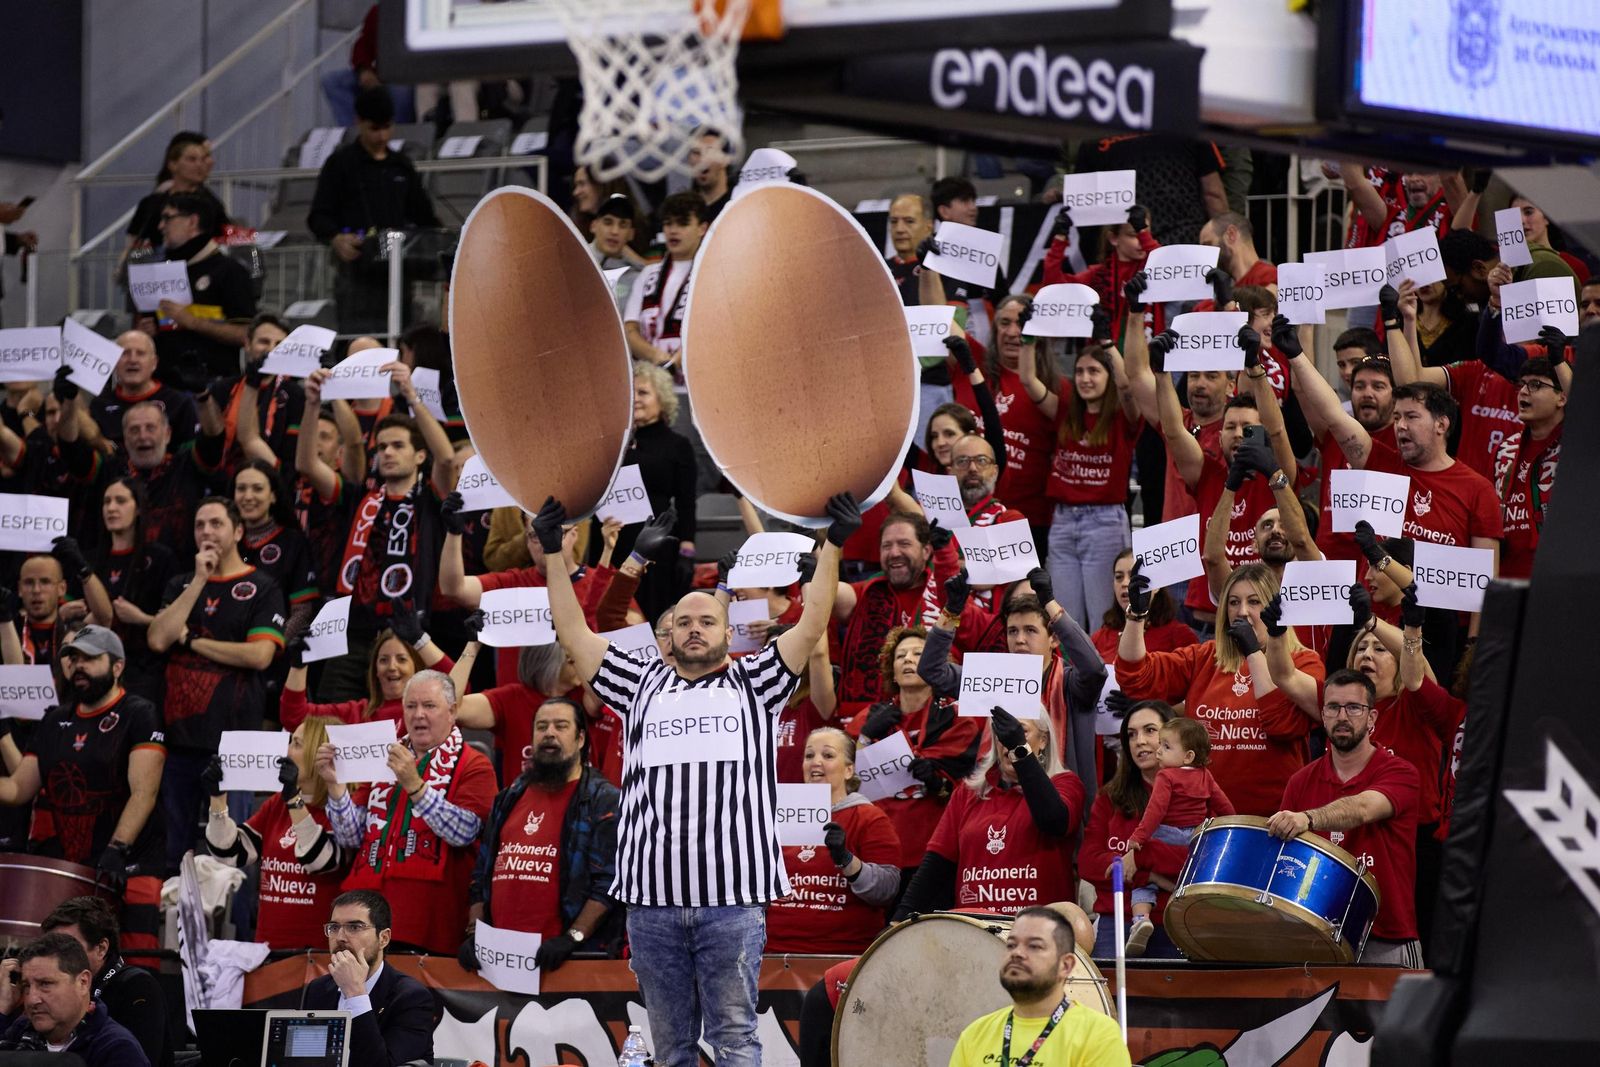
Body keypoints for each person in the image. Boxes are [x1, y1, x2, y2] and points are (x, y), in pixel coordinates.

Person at [543, 488, 856, 1067]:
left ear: (727, 628)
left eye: (706, 620)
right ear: (666, 636)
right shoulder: (637, 683)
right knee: (671, 1048)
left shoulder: (755, 683)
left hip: (731, 901)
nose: (693, 628)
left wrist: (831, 546)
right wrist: (548, 558)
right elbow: (574, 633)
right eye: (682, 621)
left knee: (736, 1039)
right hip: (651, 903)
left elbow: (812, 623)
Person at [0, 626, 165, 955]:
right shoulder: (54, 721)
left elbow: (144, 792)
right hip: (73, 870)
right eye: (73, 659)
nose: (79, 666)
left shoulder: (138, 713)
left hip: (130, 868)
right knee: (73, 970)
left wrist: (118, 849)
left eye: (90, 658)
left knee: (132, 969)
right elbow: (19, 788)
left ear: (117, 666)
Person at [1116, 561, 1322, 815]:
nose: (1242, 612)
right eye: (1233, 602)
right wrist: (1136, 616)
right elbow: (1136, 677)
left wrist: (1253, 653)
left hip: (1274, 822)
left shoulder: (1303, 662)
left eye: (1254, 602)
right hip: (1204, 821)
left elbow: (1280, 724)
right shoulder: (1205, 657)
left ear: (1275, 609)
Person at [148, 497, 286, 867]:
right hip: (178, 741)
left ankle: (233, 927)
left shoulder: (262, 586)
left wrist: (192, 641)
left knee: (230, 856)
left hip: (236, 743)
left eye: (216, 524)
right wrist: (198, 581)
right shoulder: (181, 583)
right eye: (199, 525)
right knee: (176, 850)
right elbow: (158, 638)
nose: (206, 532)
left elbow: (259, 655)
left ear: (238, 531)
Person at [319, 670, 496, 954]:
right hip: (366, 916)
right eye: (411, 706)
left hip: (430, 919)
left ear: (452, 711)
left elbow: (465, 832)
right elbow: (351, 837)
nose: (418, 715)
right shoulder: (383, 758)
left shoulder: (475, 764)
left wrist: (415, 786)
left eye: (429, 706)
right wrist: (335, 787)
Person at [1269, 668, 1422, 967]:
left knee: (1398, 1017)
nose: (1342, 716)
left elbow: (1364, 808)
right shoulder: (1300, 782)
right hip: (1315, 936)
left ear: (1372, 718)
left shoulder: (1401, 772)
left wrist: (1308, 819)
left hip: (1386, 936)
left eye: (1354, 707)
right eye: (1333, 707)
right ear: (1322, 715)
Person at [460, 696, 624, 970]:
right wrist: (475, 933)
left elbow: (609, 884)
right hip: (501, 963)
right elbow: (481, 877)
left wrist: (572, 938)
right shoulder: (509, 797)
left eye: (561, 726)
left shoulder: (604, 800)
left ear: (581, 739)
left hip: (569, 963)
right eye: (541, 726)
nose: (549, 733)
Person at [923, 572, 1105, 797]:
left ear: (1054, 639)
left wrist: (1049, 603)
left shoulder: (1070, 684)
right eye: (1012, 631)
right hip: (1000, 807)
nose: (1019, 639)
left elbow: (1095, 670)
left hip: (1062, 806)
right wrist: (951, 612)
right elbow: (931, 670)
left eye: (1030, 630)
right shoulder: (994, 678)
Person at [895, 707, 1085, 918]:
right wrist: (896, 922)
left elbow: (1053, 820)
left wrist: (1019, 750)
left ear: (1043, 740)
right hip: (976, 931)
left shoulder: (1065, 784)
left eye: (1020, 730)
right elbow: (935, 866)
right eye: (1001, 732)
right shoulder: (968, 793)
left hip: (1037, 931)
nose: (1008, 739)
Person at [1018, 327, 1141, 628]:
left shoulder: (1124, 418)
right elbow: (1028, 380)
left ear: (1108, 375)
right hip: (1062, 524)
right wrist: (1028, 337)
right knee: (1063, 621)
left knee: (1104, 621)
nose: (1086, 378)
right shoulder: (1065, 412)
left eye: (1095, 371)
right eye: (1080, 371)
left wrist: (1109, 343)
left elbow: (1127, 386)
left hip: (1104, 524)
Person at [201, 716, 350, 949]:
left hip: (317, 956)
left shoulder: (343, 811)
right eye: (290, 742)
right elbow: (231, 853)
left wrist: (293, 800)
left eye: (298, 744)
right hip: (268, 950)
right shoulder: (276, 805)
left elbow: (319, 860)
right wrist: (218, 799)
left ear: (319, 753)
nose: (287, 751)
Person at [307, 85, 440, 335]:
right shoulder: (341, 163)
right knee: (358, 342)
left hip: (397, 276)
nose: (382, 136)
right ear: (359, 122)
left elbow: (425, 218)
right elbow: (318, 216)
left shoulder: (401, 166)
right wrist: (336, 238)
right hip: (355, 275)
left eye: (387, 127)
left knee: (399, 341)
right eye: (374, 129)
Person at [765, 727, 902, 954]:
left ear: (849, 770)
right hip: (773, 953)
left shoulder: (869, 817)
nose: (815, 762)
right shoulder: (778, 816)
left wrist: (847, 860)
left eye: (827, 755)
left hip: (841, 954)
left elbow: (887, 889)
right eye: (809, 756)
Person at [947, 906, 1131, 1067]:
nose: (1017, 953)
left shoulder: (1098, 1035)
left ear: (1065, 965)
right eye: (1011, 945)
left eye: (1034, 946)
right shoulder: (975, 1034)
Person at [1079, 700, 1186, 958]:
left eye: (1150, 730)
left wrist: (1138, 859)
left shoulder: (1196, 794)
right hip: (1116, 922)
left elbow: (1193, 863)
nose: (1140, 741)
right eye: (1131, 734)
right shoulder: (1109, 797)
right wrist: (1150, 876)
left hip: (1177, 925)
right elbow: (1088, 863)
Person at [1118, 716, 1232, 955]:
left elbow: (1155, 811)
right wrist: (1226, 832)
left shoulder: (1166, 776)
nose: (1158, 751)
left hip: (1167, 833)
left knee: (1139, 871)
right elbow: (1225, 808)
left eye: (1166, 747)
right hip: (1196, 838)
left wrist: (1138, 838)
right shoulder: (1205, 775)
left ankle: (1140, 918)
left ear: (1188, 756)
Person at [952, 295, 1059, 544]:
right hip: (967, 513)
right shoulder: (973, 362)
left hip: (1029, 521)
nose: (1013, 332)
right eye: (1004, 323)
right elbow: (940, 321)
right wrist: (929, 267)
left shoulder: (1054, 388)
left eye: (1022, 324)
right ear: (994, 328)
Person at [834, 511, 959, 713]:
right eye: (886, 546)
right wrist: (832, 542)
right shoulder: (868, 591)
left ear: (926, 551)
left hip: (933, 719)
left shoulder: (948, 595)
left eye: (904, 544)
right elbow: (824, 593)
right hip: (869, 719)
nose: (894, 553)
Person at [139, 192, 256, 391]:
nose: (160, 226)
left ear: (192, 222)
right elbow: (155, 327)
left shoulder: (230, 271)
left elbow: (245, 334)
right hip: (164, 387)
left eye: (167, 218)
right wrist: (147, 332)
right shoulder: (161, 272)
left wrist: (193, 322)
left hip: (214, 385)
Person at [303, 890, 434, 1067]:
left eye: (354, 927)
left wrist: (356, 994)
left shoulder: (411, 998)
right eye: (334, 927)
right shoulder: (318, 990)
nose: (340, 937)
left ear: (384, 938)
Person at [39, 896, 171, 1067]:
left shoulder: (138, 987)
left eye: (67, 948)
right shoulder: (45, 990)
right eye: (51, 948)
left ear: (101, 948)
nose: (55, 958)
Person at [279, 610, 452, 730]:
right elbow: (294, 718)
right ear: (375, 670)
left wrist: (420, 640)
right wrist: (298, 666)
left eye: (402, 659)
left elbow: (457, 686)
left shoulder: (434, 711)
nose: (392, 667)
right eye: (383, 660)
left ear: (416, 667)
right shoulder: (356, 713)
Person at [619, 360, 698, 621]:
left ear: (662, 399)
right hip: (614, 541)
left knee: (654, 615)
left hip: (657, 543)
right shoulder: (614, 442)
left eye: (643, 392)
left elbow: (687, 503)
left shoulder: (678, 445)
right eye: (631, 392)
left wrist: (687, 552)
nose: (635, 399)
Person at [90, 477, 179, 703]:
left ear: (138, 508)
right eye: (106, 502)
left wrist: (141, 618)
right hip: (97, 669)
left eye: (120, 501)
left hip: (144, 673)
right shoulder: (92, 559)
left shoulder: (160, 558)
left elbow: (176, 625)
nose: (111, 508)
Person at [0, 933, 150, 1065]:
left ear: (83, 982)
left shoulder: (116, 1050)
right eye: (26, 986)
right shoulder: (19, 1031)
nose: (32, 999)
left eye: (45, 984)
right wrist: (2, 1010)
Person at [1042, 205, 1161, 344]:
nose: (1142, 240)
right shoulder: (1097, 275)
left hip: (1148, 356)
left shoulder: (1155, 270)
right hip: (1105, 357)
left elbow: (1167, 263)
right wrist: (1060, 238)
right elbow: (1054, 287)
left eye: (1146, 234)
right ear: (1113, 238)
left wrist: (1142, 231)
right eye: (1134, 235)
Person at [1494, 356, 1564, 579]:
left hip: (1558, 575)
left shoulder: (1579, 444)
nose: (1523, 391)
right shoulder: (1506, 447)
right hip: (1507, 576)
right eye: (1522, 384)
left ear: (1562, 397)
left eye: (1535, 385)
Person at [624, 192, 707, 367]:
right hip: (654, 384)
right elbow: (630, 329)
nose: (673, 230)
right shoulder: (648, 274)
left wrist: (682, 357)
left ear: (702, 228)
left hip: (696, 381)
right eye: (668, 223)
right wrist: (654, 355)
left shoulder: (712, 274)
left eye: (682, 223)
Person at [89, 330, 199, 450]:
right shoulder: (98, 406)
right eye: (125, 353)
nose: (132, 360)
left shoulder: (179, 403)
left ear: (154, 363)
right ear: (114, 362)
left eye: (140, 353)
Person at [1090, 550, 1196, 661]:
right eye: (1119, 577)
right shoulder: (1099, 637)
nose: (1125, 583)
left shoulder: (1180, 636)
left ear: (1156, 587)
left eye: (1134, 577)